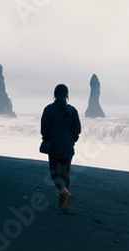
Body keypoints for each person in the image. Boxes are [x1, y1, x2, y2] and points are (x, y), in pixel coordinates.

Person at [41, 84, 82, 212]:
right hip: (68, 147)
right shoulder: (73, 111)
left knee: (55, 173)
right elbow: (78, 130)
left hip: (54, 146)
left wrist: (46, 139)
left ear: (54, 94)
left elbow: (44, 129)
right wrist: (72, 140)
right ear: (66, 95)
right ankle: (63, 204)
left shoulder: (49, 109)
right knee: (65, 174)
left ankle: (65, 193)